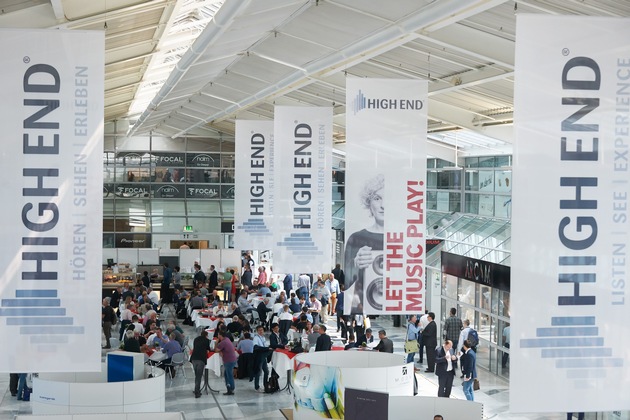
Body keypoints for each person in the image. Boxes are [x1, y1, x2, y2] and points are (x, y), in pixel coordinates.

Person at [344, 174, 384, 313]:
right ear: (369, 202)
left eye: (388, 199)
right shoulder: (356, 238)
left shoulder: (404, 239)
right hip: (363, 305)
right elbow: (346, 283)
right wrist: (355, 265)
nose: (383, 206)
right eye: (377, 198)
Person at [215, 330, 237, 395]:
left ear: (220, 335)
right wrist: (220, 351)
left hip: (228, 360)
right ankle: (228, 387)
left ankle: (231, 389)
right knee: (226, 374)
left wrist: (216, 343)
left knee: (229, 375)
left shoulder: (223, 342)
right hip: (232, 359)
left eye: (218, 334)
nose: (217, 336)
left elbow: (216, 350)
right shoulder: (227, 339)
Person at [191, 330, 212, 398]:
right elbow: (208, 349)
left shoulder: (196, 339)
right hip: (201, 359)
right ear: (206, 335)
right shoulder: (207, 340)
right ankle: (197, 392)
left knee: (197, 375)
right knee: (199, 376)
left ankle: (196, 389)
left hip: (194, 358)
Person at [252, 325, 270, 392]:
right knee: (258, 372)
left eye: (262, 330)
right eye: (259, 330)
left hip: (263, 356)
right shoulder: (256, 338)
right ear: (257, 331)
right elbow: (256, 347)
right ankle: (257, 387)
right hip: (258, 356)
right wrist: (266, 348)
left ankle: (265, 385)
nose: (261, 331)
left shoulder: (263, 338)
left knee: (266, 371)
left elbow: (265, 345)